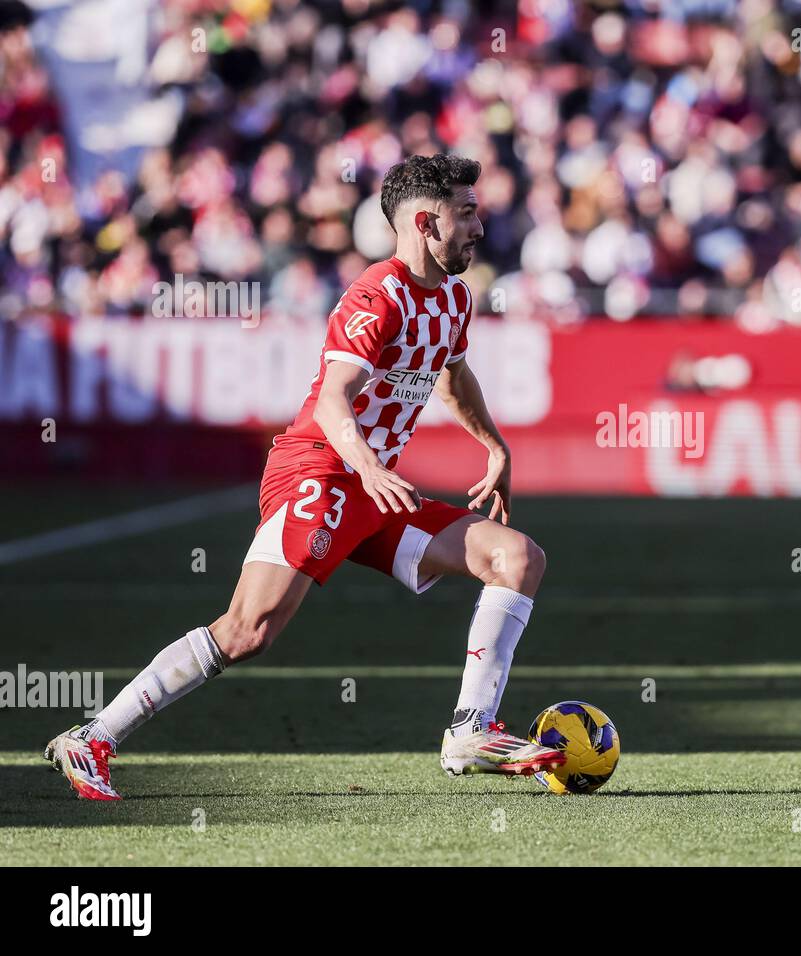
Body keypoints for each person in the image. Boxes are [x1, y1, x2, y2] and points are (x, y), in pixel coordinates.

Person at [44, 154, 564, 800]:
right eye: (466, 214)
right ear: (426, 222)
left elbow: (452, 377)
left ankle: (470, 730)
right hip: (318, 469)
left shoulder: (453, 299)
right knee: (248, 630)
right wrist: (368, 464)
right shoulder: (376, 295)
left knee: (517, 557)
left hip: (375, 490)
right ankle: (92, 736)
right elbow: (331, 400)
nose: (479, 227)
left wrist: (495, 447)